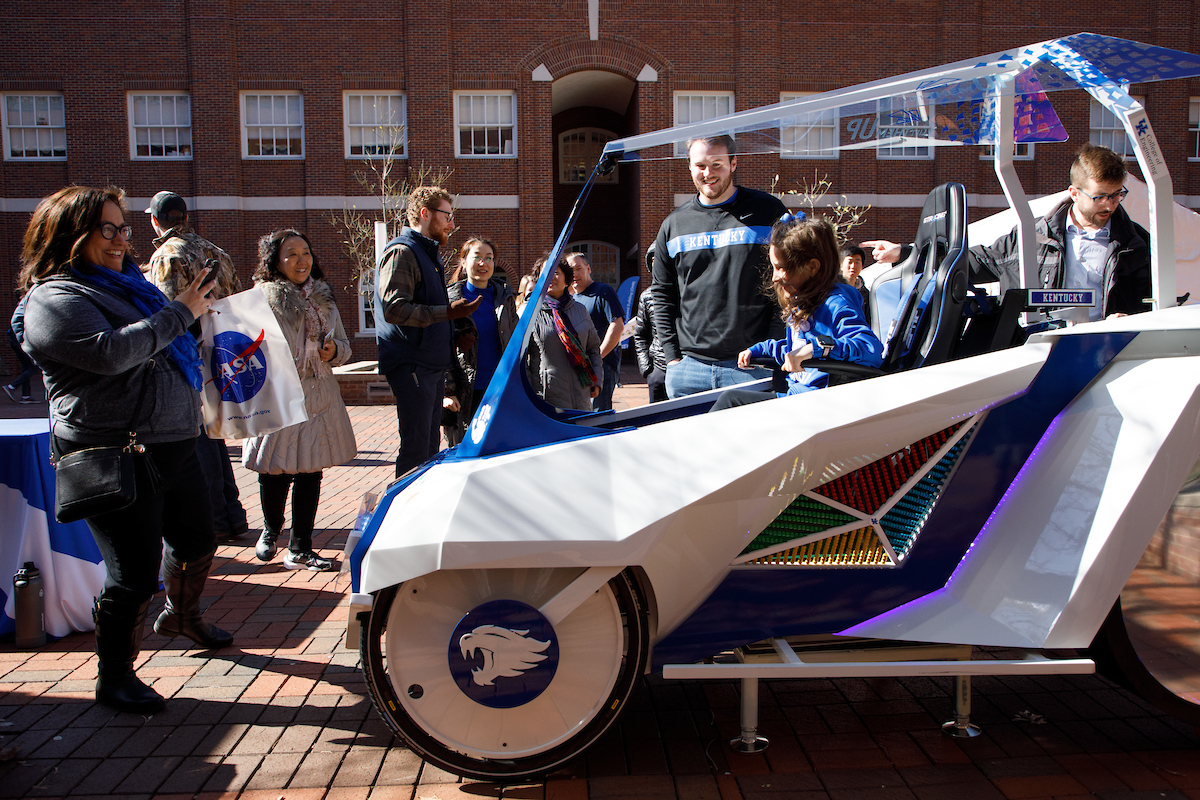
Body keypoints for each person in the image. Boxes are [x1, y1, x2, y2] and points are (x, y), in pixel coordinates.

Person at [17, 185, 230, 714]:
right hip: (112, 452)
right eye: (106, 230)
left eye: (123, 229)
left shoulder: (133, 285)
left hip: (173, 442)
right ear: (70, 235)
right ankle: (114, 676)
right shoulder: (53, 299)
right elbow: (113, 354)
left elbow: (165, 345)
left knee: (199, 540)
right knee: (133, 573)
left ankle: (183, 614)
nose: (119, 241)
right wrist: (179, 313)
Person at [864, 143, 1150, 324]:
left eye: (1117, 195)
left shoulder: (1136, 244)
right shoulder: (1034, 235)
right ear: (1074, 193)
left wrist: (1130, 320)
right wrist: (908, 253)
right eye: (1100, 197)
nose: (1109, 204)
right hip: (1047, 348)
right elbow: (978, 261)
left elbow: (1150, 302)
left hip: (1108, 349)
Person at [243, 229, 357, 572]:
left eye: (305, 252)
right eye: (290, 253)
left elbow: (344, 345)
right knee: (274, 467)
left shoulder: (324, 299)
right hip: (278, 393)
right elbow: (246, 347)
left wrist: (333, 350)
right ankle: (270, 529)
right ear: (275, 261)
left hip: (319, 394)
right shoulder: (262, 297)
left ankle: (301, 547)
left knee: (310, 470)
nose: (301, 260)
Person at [142, 190, 249, 544]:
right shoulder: (216, 251)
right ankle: (232, 515)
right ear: (184, 217)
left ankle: (216, 517)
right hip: (225, 351)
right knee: (215, 435)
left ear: (156, 221)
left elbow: (169, 314)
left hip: (188, 356)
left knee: (199, 439)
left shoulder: (166, 256)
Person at [650, 135, 788, 399]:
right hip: (688, 370)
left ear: (733, 163)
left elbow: (789, 280)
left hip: (752, 366)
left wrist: (771, 348)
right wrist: (672, 358)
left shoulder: (768, 210)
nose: (708, 173)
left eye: (717, 164)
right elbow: (662, 293)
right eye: (700, 165)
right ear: (689, 167)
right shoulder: (674, 224)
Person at [710, 215, 884, 411]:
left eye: (780, 268)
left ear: (812, 267)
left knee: (730, 401)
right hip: (796, 398)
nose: (774, 278)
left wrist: (818, 348)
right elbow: (797, 349)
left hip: (817, 407)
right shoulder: (804, 303)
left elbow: (871, 349)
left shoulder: (837, 303)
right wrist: (761, 349)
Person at [375, 187, 481, 477]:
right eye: (447, 216)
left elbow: (424, 311)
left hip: (430, 366)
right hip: (413, 366)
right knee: (416, 450)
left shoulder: (427, 254)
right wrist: (448, 313)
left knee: (429, 449)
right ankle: (404, 516)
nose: (451, 224)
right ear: (425, 214)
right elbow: (394, 309)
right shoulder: (403, 253)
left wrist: (452, 334)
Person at [444, 237, 518, 444]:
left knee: (501, 451)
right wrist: (447, 391)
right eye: (477, 257)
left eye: (489, 258)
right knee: (466, 451)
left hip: (500, 390)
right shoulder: (450, 300)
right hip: (465, 393)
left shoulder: (505, 298)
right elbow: (440, 348)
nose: (483, 263)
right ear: (464, 262)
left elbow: (516, 345)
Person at [527, 258, 602, 412]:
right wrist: (533, 393)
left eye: (555, 272)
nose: (550, 277)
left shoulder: (580, 310)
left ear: (566, 278)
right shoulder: (530, 313)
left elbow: (593, 348)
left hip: (582, 394)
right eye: (545, 273)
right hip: (548, 398)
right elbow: (523, 360)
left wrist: (597, 380)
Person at [566, 252, 624, 412]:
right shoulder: (571, 299)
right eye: (571, 270)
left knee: (599, 415)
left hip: (602, 366)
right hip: (578, 369)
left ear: (588, 268)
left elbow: (617, 325)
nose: (575, 274)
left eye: (579, 268)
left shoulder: (602, 291)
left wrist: (596, 358)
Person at [633, 252, 668, 403]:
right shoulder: (646, 296)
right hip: (658, 368)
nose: (656, 263)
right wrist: (647, 369)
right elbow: (640, 334)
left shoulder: (687, 292)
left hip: (684, 367)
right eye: (653, 260)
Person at [4, 292, 38, 404]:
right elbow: (16, 322)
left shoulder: (25, 301)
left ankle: (26, 396)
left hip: (15, 340)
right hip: (19, 341)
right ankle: (12, 386)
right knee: (34, 366)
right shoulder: (27, 301)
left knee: (26, 367)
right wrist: (23, 342)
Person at [840, 243, 870, 312]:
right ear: (841, 265)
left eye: (857, 262)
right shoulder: (833, 289)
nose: (853, 266)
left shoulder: (865, 294)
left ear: (862, 266)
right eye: (850, 262)